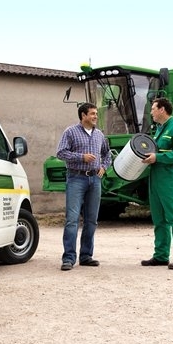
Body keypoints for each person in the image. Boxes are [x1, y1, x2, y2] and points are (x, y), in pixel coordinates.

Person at [56, 102, 112, 271]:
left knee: (92, 220)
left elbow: (107, 153)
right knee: (72, 220)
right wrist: (81, 157)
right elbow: (60, 152)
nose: (96, 116)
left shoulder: (99, 135)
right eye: (92, 113)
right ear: (83, 115)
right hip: (76, 179)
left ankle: (86, 256)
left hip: (95, 180)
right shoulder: (70, 132)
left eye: (96, 113)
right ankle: (68, 258)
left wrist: (104, 167)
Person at [140, 97, 173, 269]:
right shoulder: (159, 129)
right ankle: (161, 255)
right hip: (156, 178)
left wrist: (158, 157)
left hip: (169, 178)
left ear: (162, 109)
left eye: (153, 108)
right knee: (159, 219)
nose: (151, 112)